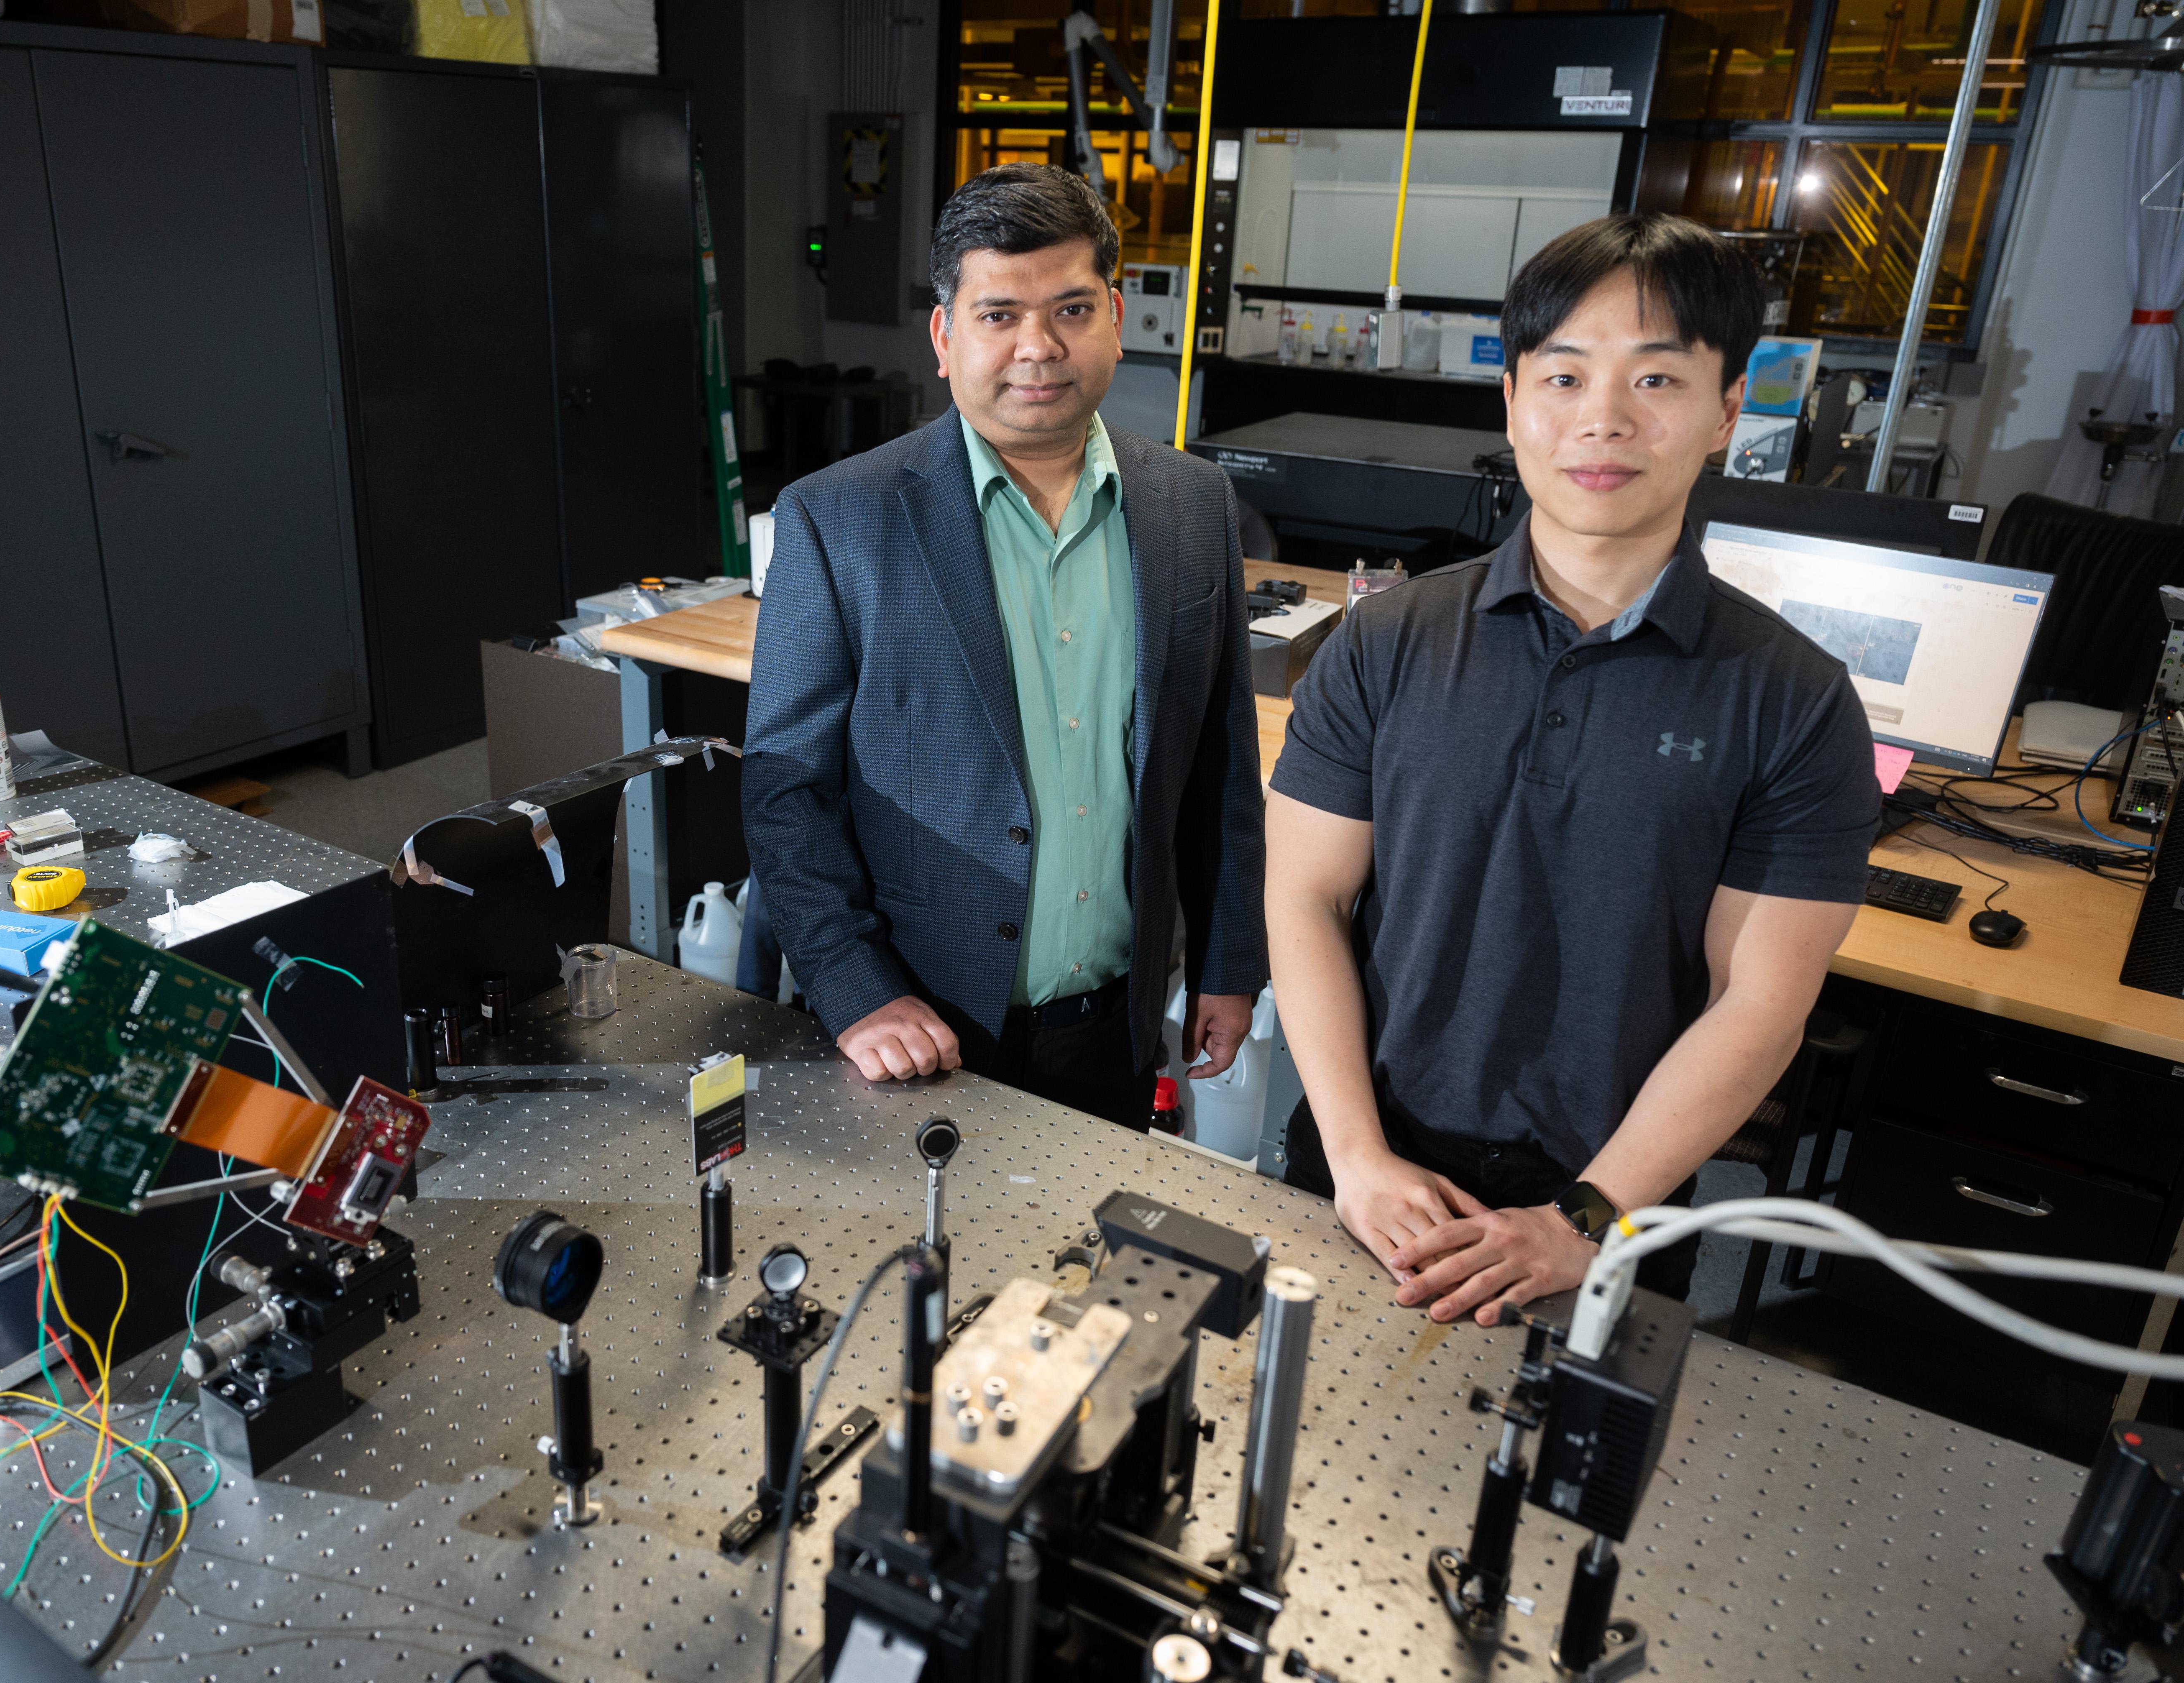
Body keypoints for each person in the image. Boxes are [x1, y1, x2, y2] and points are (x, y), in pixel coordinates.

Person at [1266, 213, 1880, 1323]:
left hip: (1614, 1219)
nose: (1602, 420)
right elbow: (1306, 894)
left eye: (1657, 380)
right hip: (1362, 1182)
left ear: (1727, 412)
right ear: (1514, 403)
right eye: (1564, 377)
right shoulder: (1387, 640)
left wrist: (1586, 1220)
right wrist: (1357, 1156)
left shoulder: (1794, 699)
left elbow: (1763, 1003)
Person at [741, 163, 1265, 1129]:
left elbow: (1221, 768)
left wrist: (1231, 964)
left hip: (1115, 1020)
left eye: (1070, 309)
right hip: (916, 1021)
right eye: (998, 315)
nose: (1038, 347)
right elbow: (786, 793)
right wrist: (855, 986)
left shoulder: (1195, 507)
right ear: (945, 336)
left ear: (1116, 314)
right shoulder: (836, 519)